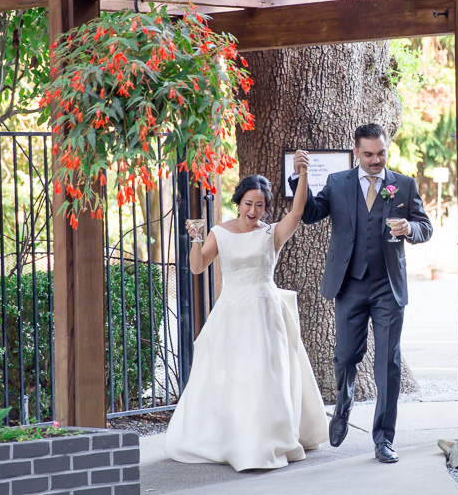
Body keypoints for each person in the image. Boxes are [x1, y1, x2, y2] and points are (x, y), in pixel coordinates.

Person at [164, 169, 328, 471]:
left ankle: (267, 440)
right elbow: (198, 267)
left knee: (266, 375)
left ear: (266, 207)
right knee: (231, 376)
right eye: (248, 204)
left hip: (266, 312)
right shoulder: (221, 232)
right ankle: (232, 439)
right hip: (231, 312)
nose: (254, 211)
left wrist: (303, 174)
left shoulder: (272, 233)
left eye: (260, 205)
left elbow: (299, 209)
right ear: (238, 202)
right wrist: (196, 239)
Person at [289, 123, 432, 464]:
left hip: (388, 287)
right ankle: (344, 400)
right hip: (350, 285)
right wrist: (301, 178)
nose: (375, 160)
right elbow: (309, 214)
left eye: (380, 153)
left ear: (386, 149)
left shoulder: (404, 185)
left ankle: (383, 439)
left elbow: (425, 227)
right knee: (345, 356)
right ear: (356, 152)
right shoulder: (338, 183)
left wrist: (410, 227)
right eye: (368, 154)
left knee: (387, 365)